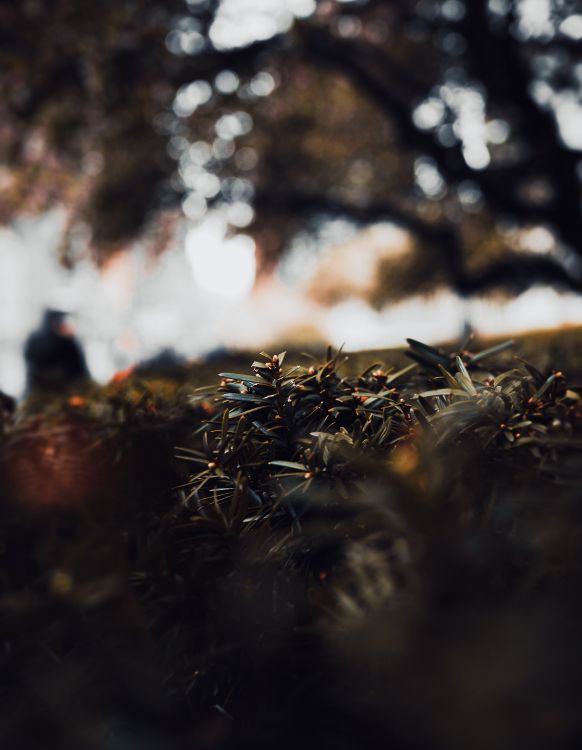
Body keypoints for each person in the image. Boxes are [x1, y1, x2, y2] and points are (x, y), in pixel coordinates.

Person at [23, 310, 89, 395]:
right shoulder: (36, 340)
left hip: (70, 389)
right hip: (41, 390)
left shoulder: (70, 342)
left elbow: (81, 369)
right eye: (61, 323)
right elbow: (32, 361)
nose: (66, 326)